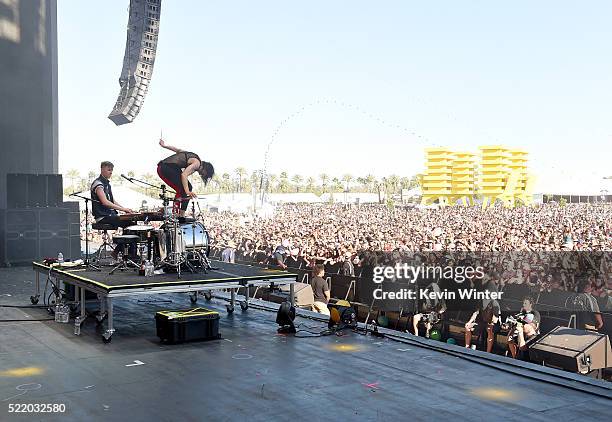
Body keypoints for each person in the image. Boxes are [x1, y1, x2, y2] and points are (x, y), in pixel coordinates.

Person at [157, 139, 215, 216]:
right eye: (205, 175)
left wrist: (164, 146)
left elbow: (178, 150)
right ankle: (178, 213)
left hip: (165, 167)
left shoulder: (194, 157)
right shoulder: (197, 163)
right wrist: (188, 192)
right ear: (205, 170)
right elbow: (184, 175)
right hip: (166, 168)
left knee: (186, 187)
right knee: (184, 189)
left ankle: (180, 213)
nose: (202, 176)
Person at [90, 161, 134, 227]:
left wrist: (125, 209)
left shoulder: (107, 184)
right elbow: (105, 202)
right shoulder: (98, 183)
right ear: (102, 169)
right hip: (103, 217)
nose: (111, 172)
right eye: (109, 170)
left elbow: (112, 201)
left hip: (110, 215)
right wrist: (124, 209)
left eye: (112, 170)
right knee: (130, 223)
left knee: (131, 221)